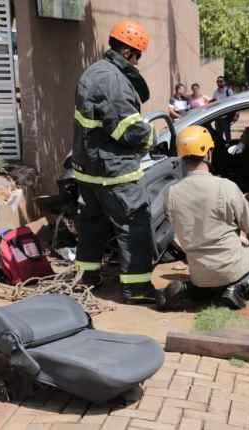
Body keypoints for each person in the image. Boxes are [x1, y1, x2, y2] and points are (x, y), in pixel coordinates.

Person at [71, 20, 157, 303]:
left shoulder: (93, 72)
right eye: (138, 56)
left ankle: (87, 278)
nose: (138, 62)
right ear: (130, 53)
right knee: (135, 225)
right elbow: (127, 129)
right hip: (114, 172)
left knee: (91, 226)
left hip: (88, 170)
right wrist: (151, 137)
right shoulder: (114, 82)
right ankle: (138, 288)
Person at [157, 125, 249, 311]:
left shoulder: (171, 193)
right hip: (233, 269)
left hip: (199, 274)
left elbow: (179, 236)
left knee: (208, 277)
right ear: (208, 153)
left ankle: (198, 290)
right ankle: (236, 289)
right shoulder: (225, 187)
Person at [211, 76, 234, 143]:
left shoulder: (228, 91)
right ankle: (221, 147)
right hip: (218, 117)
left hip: (226, 117)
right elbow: (214, 102)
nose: (219, 83)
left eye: (221, 81)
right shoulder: (216, 92)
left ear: (224, 82)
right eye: (217, 81)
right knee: (219, 134)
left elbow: (232, 102)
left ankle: (228, 145)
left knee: (227, 133)